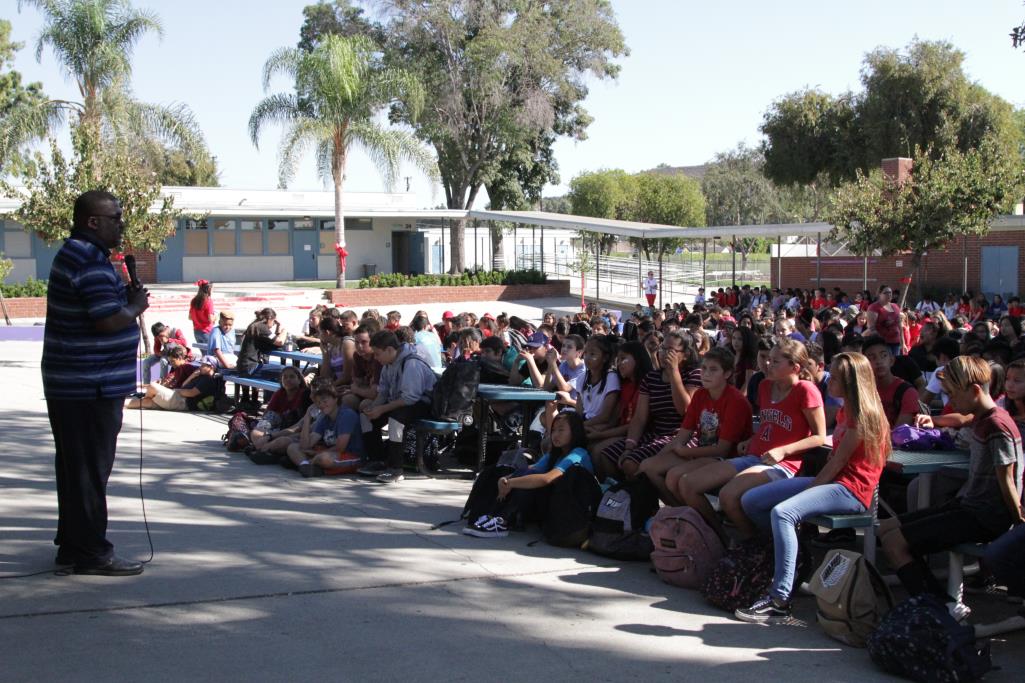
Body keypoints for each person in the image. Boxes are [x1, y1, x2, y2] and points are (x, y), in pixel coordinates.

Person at [735, 351, 891, 623]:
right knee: (751, 501)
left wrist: (807, 492)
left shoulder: (863, 414)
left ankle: (779, 600)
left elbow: (840, 462)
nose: (828, 378)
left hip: (851, 489)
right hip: (832, 481)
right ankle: (794, 559)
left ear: (851, 382)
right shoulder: (846, 409)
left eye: (836, 376)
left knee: (783, 513)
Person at [43, 190, 149, 576]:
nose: (120, 223)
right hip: (88, 386)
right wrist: (135, 307)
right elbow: (106, 319)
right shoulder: (87, 258)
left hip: (78, 384)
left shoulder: (82, 255)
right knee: (89, 470)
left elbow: (102, 306)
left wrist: (124, 295)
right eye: (115, 217)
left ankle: (72, 545)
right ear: (93, 221)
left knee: (76, 468)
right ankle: (92, 552)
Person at [880, 356, 1024, 604]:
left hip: (985, 516)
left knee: (895, 543)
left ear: (975, 390)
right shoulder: (984, 415)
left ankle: (938, 609)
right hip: (968, 506)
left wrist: (1018, 523)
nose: (950, 402)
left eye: (953, 394)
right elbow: (960, 419)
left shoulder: (996, 426)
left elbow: (1008, 480)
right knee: (885, 528)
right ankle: (932, 597)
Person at [670, 339, 827, 543]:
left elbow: (819, 436)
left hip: (783, 464)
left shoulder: (805, 390)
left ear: (795, 367)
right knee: (688, 483)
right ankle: (720, 537)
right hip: (754, 457)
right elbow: (770, 424)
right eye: (768, 359)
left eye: (776, 361)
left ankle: (755, 543)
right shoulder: (764, 386)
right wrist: (753, 438)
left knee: (729, 495)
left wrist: (784, 451)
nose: (768, 364)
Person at [639, 347, 753, 504]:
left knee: (675, 477)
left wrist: (685, 452)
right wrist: (660, 456)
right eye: (704, 368)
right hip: (701, 453)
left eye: (713, 370)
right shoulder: (701, 395)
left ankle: (706, 523)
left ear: (727, 374)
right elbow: (682, 436)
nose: (706, 374)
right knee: (647, 466)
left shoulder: (736, 401)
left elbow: (723, 449)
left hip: (726, 459)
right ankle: (681, 513)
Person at [463, 411, 592, 538]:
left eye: (561, 430)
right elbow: (531, 469)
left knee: (532, 479)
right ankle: (494, 515)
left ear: (575, 432)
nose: (555, 435)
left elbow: (547, 479)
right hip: (552, 503)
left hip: (571, 509)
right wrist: (505, 479)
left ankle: (504, 520)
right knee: (525, 473)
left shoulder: (578, 454)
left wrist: (512, 483)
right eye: (553, 430)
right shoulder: (554, 455)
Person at [358, 330, 437, 484]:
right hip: (401, 403)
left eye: (377, 354)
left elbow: (410, 398)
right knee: (365, 416)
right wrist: (374, 408)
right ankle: (377, 460)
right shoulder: (388, 364)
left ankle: (396, 468)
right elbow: (383, 392)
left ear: (389, 350)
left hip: (422, 404)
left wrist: (382, 409)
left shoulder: (411, 363)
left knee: (396, 421)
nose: (375, 357)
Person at [286, 386, 366, 477]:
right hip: (329, 452)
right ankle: (306, 466)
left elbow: (340, 448)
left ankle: (304, 464)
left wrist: (316, 454)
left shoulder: (347, 415)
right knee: (292, 447)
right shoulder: (324, 417)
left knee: (323, 458)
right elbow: (305, 445)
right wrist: (307, 417)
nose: (321, 405)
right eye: (318, 402)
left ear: (335, 399)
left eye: (325, 401)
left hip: (350, 455)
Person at [126, 354, 221, 411]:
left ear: (211, 367)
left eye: (203, 365)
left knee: (152, 386)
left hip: (183, 401)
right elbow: (184, 386)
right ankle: (119, 406)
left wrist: (176, 391)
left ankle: (146, 397)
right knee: (146, 403)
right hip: (179, 398)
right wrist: (192, 376)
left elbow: (192, 393)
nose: (200, 366)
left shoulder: (208, 379)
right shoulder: (200, 375)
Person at [861, 335, 920, 427]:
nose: (878, 361)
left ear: (892, 360)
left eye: (883, 355)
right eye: (872, 358)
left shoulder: (907, 393)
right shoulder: (862, 392)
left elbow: (899, 433)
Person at [237, 308, 287, 377]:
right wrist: (284, 331)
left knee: (280, 370)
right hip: (250, 368)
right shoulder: (261, 327)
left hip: (243, 367)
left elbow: (273, 343)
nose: (273, 325)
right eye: (274, 322)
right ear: (269, 319)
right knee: (285, 370)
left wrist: (278, 327)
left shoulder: (255, 326)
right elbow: (280, 342)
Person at [867, 285, 903, 355]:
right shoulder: (874, 307)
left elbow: (899, 326)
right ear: (879, 294)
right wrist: (881, 342)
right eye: (886, 293)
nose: (889, 294)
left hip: (896, 342)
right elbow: (871, 328)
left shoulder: (895, 306)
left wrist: (903, 343)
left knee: (895, 363)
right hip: (882, 343)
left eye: (890, 292)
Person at [189, 279, 215, 345]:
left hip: (196, 332)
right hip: (206, 332)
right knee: (210, 354)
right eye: (212, 289)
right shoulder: (208, 301)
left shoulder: (193, 301)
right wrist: (215, 317)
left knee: (203, 354)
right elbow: (211, 319)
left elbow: (190, 317)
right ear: (209, 289)